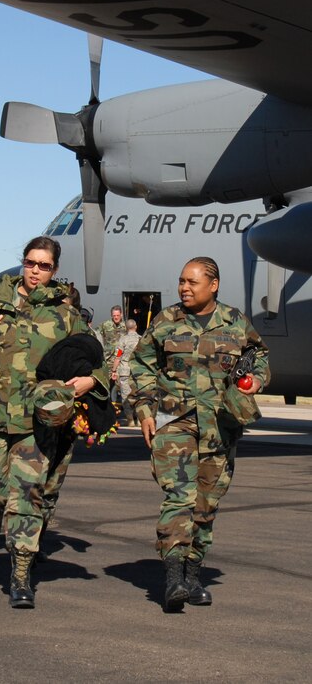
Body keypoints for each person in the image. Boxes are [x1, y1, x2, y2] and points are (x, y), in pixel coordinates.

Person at [0, 236, 109, 608]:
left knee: (28, 498)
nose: (36, 271)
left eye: (44, 266)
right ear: (22, 263)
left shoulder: (64, 314)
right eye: (30, 263)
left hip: (35, 424)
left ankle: (21, 573)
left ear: (55, 270)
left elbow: (96, 357)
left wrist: (92, 380)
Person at [129, 256, 270, 611]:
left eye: (192, 282)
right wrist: (145, 410)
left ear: (214, 285)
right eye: (181, 281)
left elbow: (260, 356)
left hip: (220, 425)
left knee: (206, 505)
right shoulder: (166, 320)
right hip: (172, 422)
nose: (184, 288)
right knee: (179, 498)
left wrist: (254, 381)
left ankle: (193, 576)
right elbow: (142, 364)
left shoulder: (235, 322)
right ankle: (173, 577)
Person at [112, 319, 141, 426]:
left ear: (126, 328)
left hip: (124, 371)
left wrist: (114, 370)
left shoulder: (122, 340)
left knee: (125, 396)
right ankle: (139, 419)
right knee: (138, 395)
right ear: (136, 327)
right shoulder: (141, 339)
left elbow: (118, 356)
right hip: (138, 372)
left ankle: (130, 420)